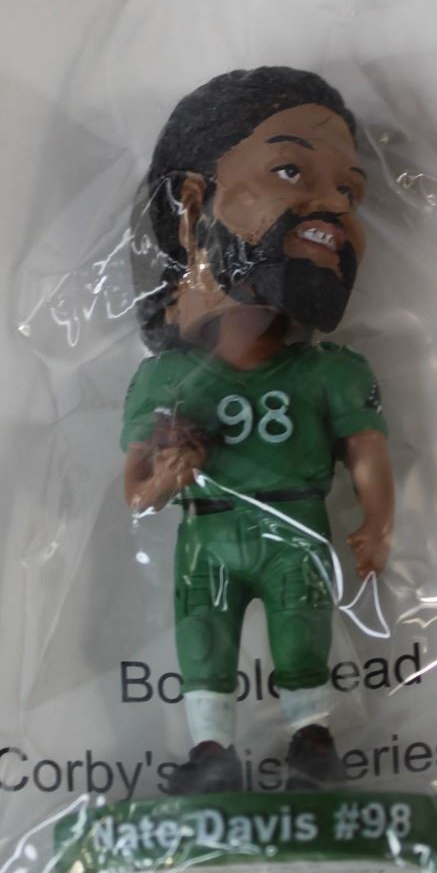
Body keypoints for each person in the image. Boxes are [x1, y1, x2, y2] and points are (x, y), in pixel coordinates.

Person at [121, 66, 394, 793]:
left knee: (302, 635)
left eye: (350, 193)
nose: (332, 207)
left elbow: (366, 450)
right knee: (203, 641)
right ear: (192, 203)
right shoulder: (166, 380)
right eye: (289, 170)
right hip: (209, 529)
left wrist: (377, 523)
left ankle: (312, 739)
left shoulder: (330, 372)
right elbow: (136, 490)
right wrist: (163, 478)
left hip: (294, 527)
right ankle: (211, 751)